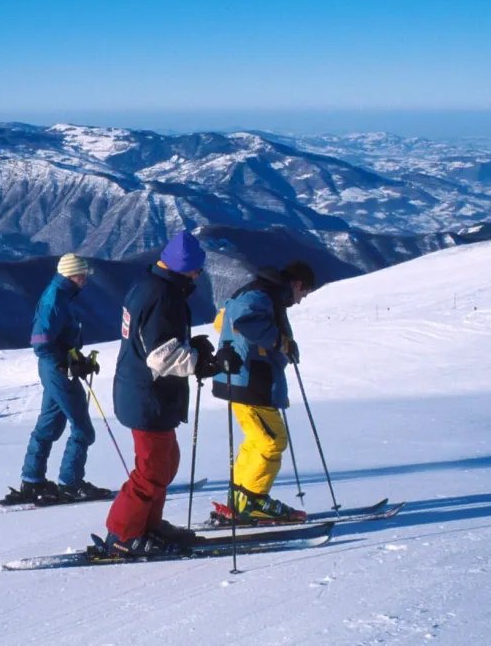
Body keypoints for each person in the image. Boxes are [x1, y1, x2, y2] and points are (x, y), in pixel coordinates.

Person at [103, 230, 237, 556]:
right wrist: (204, 363)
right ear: (183, 267)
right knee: (151, 471)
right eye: (196, 268)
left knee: (165, 463)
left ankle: (147, 524)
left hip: (144, 393)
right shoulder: (164, 296)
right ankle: (123, 535)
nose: (199, 274)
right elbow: (160, 356)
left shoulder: (150, 285)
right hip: (147, 396)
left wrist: (194, 348)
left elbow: (155, 341)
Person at [212, 261, 317, 523]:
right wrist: (280, 342)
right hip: (251, 380)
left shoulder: (257, 292)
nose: (301, 300)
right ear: (296, 285)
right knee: (272, 442)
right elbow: (246, 322)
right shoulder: (262, 295)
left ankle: (240, 499)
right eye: (303, 293)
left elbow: (220, 321)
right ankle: (253, 501)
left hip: (239, 378)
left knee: (257, 440)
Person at [16, 253, 110, 504]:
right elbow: (41, 341)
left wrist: (76, 359)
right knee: (83, 429)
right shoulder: (56, 298)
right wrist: (65, 365)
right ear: (72, 274)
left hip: (55, 368)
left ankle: (32, 480)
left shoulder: (60, 294)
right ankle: (71, 483)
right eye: (83, 276)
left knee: (49, 425)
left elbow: (56, 340)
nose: (85, 281)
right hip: (57, 370)